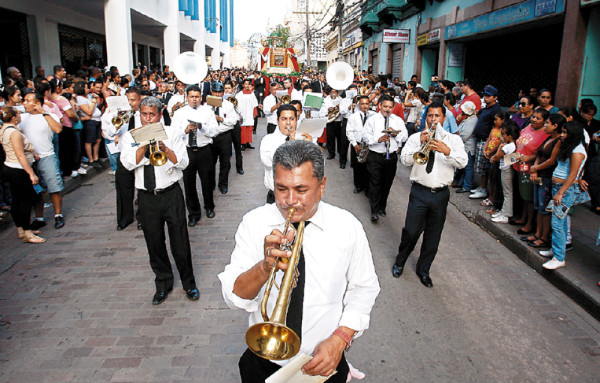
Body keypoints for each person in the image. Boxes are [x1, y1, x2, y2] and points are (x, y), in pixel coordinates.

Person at [218, 140, 380, 383]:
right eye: (281, 189)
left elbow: (364, 288)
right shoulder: (254, 223)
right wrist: (265, 267)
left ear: (322, 186)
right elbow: (234, 297)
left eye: (301, 190)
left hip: (325, 362)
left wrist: (340, 339)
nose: (290, 201)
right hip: (264, 362)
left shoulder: (347, 226)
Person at [120, 96, 199, 304]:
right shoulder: (130, 136)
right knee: (154, 242)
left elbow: (183, 163)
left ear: (160, 114)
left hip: (171, 193)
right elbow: (128, 164)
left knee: (180, 241)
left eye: (152, 115)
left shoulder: (172, 133)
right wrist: (143, 145)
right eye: (144, 114)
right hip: (147, 197)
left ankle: (189, 283)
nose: (148, 119)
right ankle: (163, 283)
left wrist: (165, 149)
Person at [392, 101, 468, 287]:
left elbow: (463, 162)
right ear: (426, 118)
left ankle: (423, 270)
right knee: (410, 231)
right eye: (430, 116)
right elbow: (405, 160)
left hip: (440, 195)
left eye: (437, 116)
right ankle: (399, 262)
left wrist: (447, 151)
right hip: (419, 192)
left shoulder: (453, 140)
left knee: (433, 237)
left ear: (443, 118)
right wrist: (421, 145)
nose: (434, 120)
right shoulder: (416, 137)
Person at [171, 85, 219, 225]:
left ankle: (209, 207)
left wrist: (201, 127)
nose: (194, 100)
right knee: (189, 183)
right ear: (187, 98)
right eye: (192, 97)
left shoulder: (207, 111)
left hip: (204, 150)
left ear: (201, 97)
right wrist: (185, 130)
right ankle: (193, 213)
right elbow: (173, 133)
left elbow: (214, 131)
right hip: (188, 150)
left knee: (207, 180)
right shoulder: (180, 113)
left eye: (197, 97)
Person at [543, 122, 588, 270]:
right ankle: (556, 250)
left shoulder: (577, 151)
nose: (562, 135)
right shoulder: (569, 147)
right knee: (558, 221)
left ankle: (559, 257)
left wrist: (561, 192)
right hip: (559, 187)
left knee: (558, 222)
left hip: (565, 190)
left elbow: (573, 174)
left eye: (565, 133)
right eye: (562, 132)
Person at [20, 92, 66, 230]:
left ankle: (58, 215)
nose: (24, 103)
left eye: (28, 101)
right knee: (36, 190)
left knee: (54, 187)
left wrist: (44, 113)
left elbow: (58, 129)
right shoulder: (22, 117)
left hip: (47, 156)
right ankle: (39, 218)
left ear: (37, 104)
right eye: (24, 100)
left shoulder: (49, 116)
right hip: (29, 159)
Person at [0, 106, 45, 243]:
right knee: (25, 200)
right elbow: (20, 154)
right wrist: (31, 173)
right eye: (18, 114)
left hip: (11, 166)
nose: (20, 115)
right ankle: (27, 231)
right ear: (14, 118)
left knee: (17, 199)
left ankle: (21, 228)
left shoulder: (4, 130)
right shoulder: (14, 133)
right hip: (19, 169)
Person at [102, 87, 143, 230]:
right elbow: (111, 133)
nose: (130, 103)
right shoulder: (122, 115)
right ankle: (125, 218)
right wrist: (117, 121)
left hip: (141, 155)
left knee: (142, 187)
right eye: (128, 100)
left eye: (133, 100)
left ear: (139, 100)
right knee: (123, 187)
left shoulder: (143, 115)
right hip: (124, 155)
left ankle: (142, 218)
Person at [364, 95, 408, 222]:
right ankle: (374, 210)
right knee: (374, 183)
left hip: (391, 156)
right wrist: (378, 139)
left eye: (390, 107)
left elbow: (404, 136)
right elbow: (365, 136)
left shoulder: (397, 120)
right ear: (380, 106)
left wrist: (395, 133)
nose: (387, 110)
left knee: (387, 183)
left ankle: (382, 206)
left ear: (393, 107)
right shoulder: (372, 119)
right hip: (375, 155)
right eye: (385, 107)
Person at [522, 114, 564, 246]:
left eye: (547, 123)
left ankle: (544, 237)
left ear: (555, 126)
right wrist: (535, 168)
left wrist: (535, 168)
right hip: (540, 175)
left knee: (545, 208)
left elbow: (552, 161)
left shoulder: (559, 141)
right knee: (538, 206)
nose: (545, 125)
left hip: (547, 177)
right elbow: (540, 154)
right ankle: (537, 233)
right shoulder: (548, 139)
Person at [260, 104, 312, 204]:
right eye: (284, 119)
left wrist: (310, 147)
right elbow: (268, 162)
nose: (288, 123)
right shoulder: (268, 140)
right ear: (278, 121)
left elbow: (317, 167)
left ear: (297, 120)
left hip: (301, 198)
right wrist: (289, 145)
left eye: (292, 119)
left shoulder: (306, 139)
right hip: (276, 198)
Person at [208, 82, 239, 194]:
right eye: (215, 92)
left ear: (222, 93)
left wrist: (221, 119)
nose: (217, 94)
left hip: (224, 136)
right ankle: (210, 184)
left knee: (225, 162)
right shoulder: (206, 106)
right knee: (210, 163)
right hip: (211, 137)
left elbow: (233, 121)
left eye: (219, 92)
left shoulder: (228, 105)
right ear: (211, 92)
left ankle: (223, 184)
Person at [490, 120, 519, 223]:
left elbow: (498, 157)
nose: (502, 137)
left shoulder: (507, 146)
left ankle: (506, 214)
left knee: (507, 192)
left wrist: (500, 147)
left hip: (507, 170)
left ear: (510, 136)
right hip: (506, 169)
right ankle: (503, 211)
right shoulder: (512, 144)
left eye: (503, 135)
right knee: (505, 191)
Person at [346, 95, 373, 194]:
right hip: (357, 144)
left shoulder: (374, 115)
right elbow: (349, 131)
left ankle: (367, 187)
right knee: (357, 167)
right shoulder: (353, 117)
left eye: (367, 103)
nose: (365, 106)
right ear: (358, 105)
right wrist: (354, 144)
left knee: (368, 167)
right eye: (362, 104)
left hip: (369, 145)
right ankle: (358, 186)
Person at [224, 82, 244, 174]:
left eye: (229, 88)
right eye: (225, 88)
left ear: (232, 89)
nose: (227, 90)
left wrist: (236, 106)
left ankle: (239, 167)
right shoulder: (222, 99)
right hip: (226, 125)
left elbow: (240, 112)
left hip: (235, 124)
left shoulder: (237, 97)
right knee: (227, 149)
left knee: (237, 147)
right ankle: (227, 168)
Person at [236, 79, 258, 150]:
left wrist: (255, 112)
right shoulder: (239, 95)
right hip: (242, 113)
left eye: (248, 84)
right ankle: (243, 143)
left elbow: (254, 104)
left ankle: (248, 142)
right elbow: (236, 105)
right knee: (243, 129)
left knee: (249, 128)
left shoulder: (252, 94)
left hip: (249, 113)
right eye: (246, 84)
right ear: (243, 85)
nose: (247, 86)